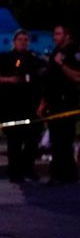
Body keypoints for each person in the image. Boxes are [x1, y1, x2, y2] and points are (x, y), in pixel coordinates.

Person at [0, 30, 44, 183]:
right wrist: (10, 80)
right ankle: (15, 173)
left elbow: (41, 82)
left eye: (26, 40)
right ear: (14, 41)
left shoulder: (34, 59)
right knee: (14, 142)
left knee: (32, 141)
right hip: (11, 107)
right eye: (20, 39)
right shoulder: (4, 59)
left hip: (31, 107)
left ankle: (28, 169)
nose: (23, 42)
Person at [38, 24, 80, 184]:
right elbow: (50, 80)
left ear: (67, 35)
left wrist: (62, 65)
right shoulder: (57, 52)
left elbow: (77, 77)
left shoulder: (73, 52)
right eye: (54, 34)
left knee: (63, 139)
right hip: (54, 101)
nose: (55, 37)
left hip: (66, 102)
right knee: (57, 139)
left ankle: (61, 175)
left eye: (58, 34)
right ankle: (65, 174)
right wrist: (43, 103)